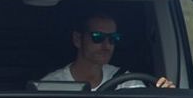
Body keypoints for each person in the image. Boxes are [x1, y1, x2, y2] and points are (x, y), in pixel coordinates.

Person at [40, 12, 174, 90]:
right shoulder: (51, 85)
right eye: (98, 37)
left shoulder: (126, 82)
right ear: (77, 39)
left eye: (113, 39)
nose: (106, 45)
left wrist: (166, 95)